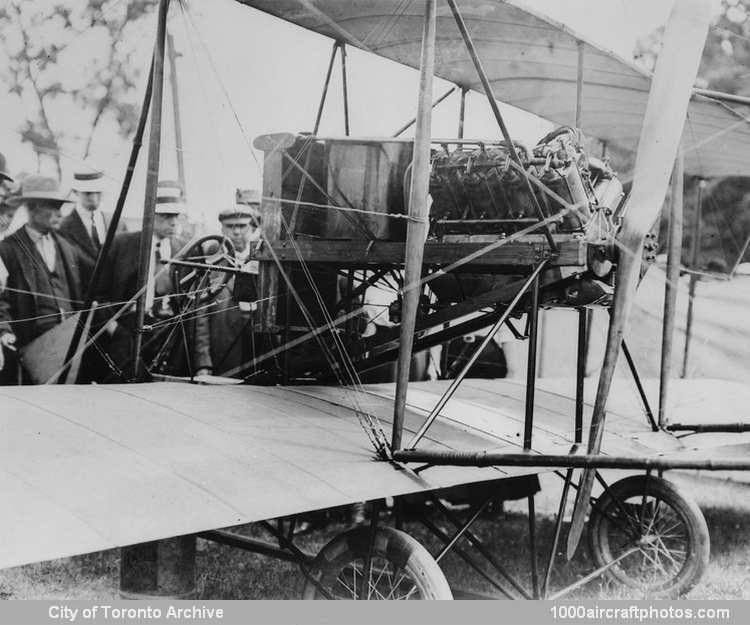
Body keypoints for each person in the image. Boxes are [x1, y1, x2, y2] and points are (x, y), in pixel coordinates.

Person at [98, 182, 191, 379]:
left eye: (176, 216)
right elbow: (99, 294)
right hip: (127, 331)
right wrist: (114, 329)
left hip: (165, 332)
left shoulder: (184, 250)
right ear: (150, 215)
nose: (173, 222)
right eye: (166, 216)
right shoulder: (122, 244)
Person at [0, 176, 89, 381]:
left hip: (65, 348)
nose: (59, 213)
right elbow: (1, 299)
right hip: (27, 351)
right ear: (32, 208)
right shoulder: (8, 249)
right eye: (53, 206)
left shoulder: (67, 248)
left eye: (61, 207)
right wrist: (4, 332)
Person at [193, 196, 261, 377]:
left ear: (253, 228)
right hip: (222, 353)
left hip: (257, 352)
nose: (236, 232)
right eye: (230, 227)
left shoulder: (264, 261)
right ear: (222, 229)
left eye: (242, 226)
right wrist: (203, 362)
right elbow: (201, 314)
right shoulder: (211, 261)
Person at [59, 161, 124, 286]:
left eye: (98, 192)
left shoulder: (117, 222)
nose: (94, 198)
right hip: (83, 299)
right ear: (75, 192)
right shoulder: (63, 227)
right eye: (88, 193)